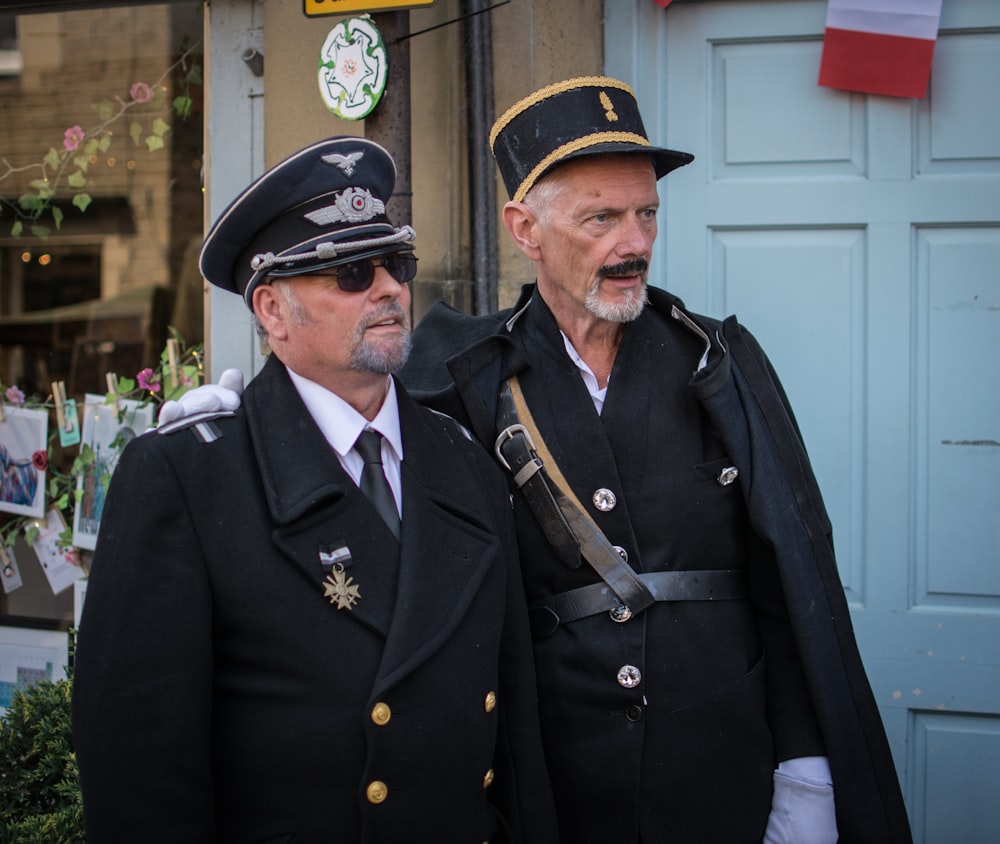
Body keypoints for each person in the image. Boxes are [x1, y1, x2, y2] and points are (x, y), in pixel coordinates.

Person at [166, 78, 913, 843]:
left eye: (646, 213)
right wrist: (241, 435)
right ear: (525, 228)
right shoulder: (456, 375)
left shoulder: (717, 363)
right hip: (555, 787)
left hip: (723, 771)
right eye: (603, 218)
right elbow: (350, 436)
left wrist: (805, 774)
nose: (636, 243)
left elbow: (790, 583)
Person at [71, 136, 559, 844]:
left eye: (397, 263)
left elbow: (516, 732)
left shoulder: (465, 461)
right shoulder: (187, 478)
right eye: (352, 272)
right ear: (272, 311)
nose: (391, 288)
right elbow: (140, 776)